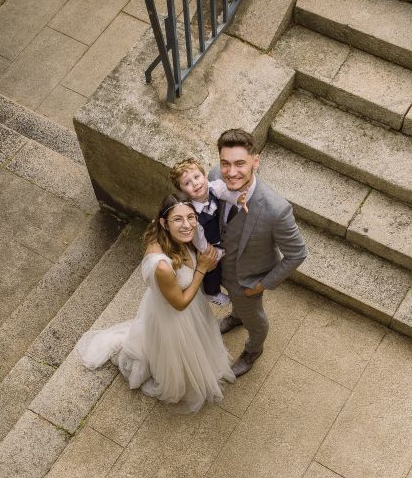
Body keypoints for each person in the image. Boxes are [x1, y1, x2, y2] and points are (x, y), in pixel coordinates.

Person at [75, 192, 235, 413]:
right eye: (178, 219)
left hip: (188, 304)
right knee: (179, 354)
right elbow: (179, 303)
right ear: (164, 223)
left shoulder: (181, 235)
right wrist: (202, 269)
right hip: (176, 313)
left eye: (191, 217)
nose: (187, 225)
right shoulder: (162, 265)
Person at [212, 129, 308, 377]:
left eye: (240, 163)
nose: (231, 172)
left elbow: (297, 253)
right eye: (226, 163)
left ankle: (254, 350)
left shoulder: (276, 210)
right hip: (218, 267)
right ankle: (236, 316)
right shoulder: (214, 177)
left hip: (247, 280)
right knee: (239, 307)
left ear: (256, 161)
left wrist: (262, 285)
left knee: (256, 321)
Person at [170, 158, 245, 307]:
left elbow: (225, 191)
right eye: (187, 183)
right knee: (212, 269)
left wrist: (239, 199)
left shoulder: (213, 187)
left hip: (218, 234)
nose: (195, 183)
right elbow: (198, 239)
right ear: (182, 191)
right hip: (204, 242)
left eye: (197, 177)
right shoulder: (192, 215)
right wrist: (210, 252)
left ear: (204, 176)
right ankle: (211, 292)